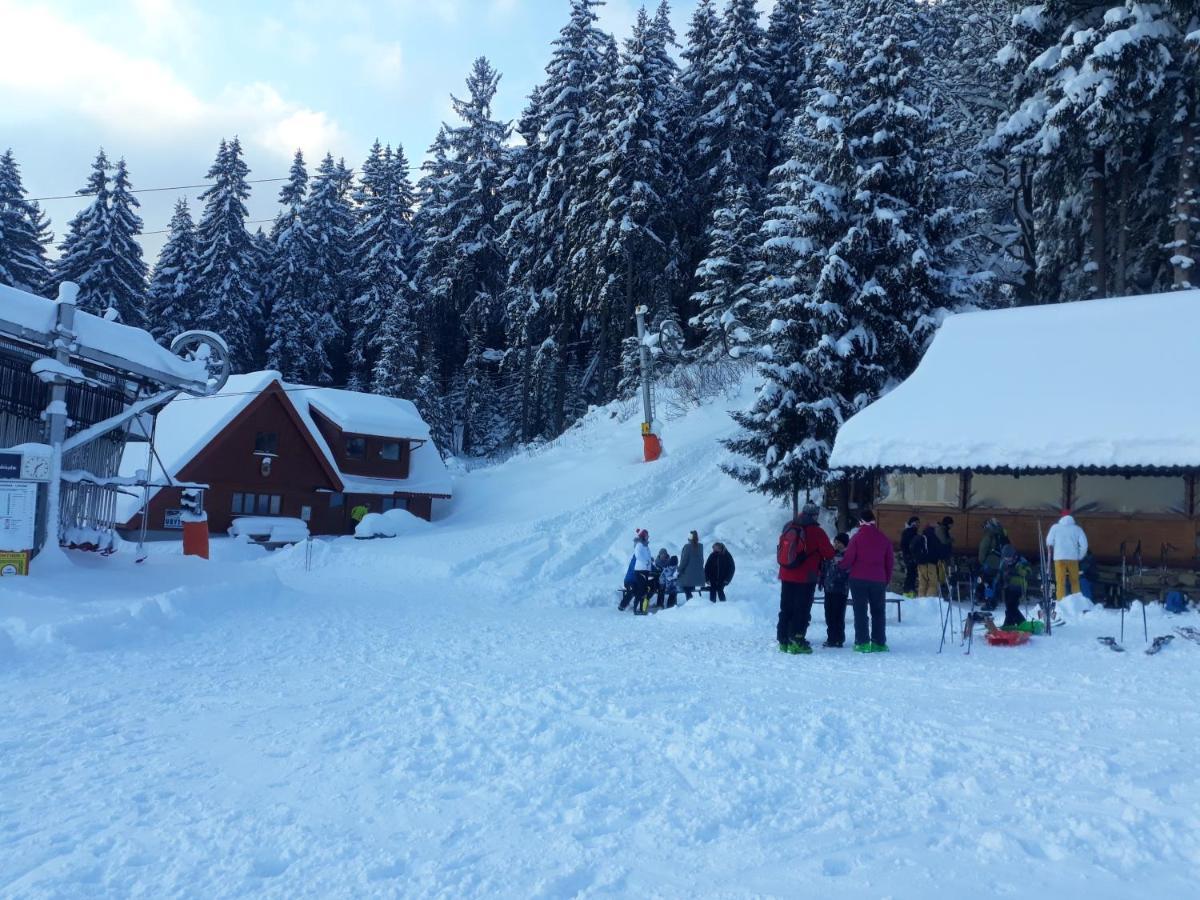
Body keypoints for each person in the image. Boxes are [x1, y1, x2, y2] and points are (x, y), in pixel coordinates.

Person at [776, 503, 836, 653]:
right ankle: (797, 641)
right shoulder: (817, 531)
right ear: (815, 515)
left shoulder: (789, 526)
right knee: (801, 609)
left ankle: (783, 640)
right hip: (805, 576)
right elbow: (829, 554)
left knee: (786, 607)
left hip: (786, 573)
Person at [839, 509, 895, 652]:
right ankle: (879, 642)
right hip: (879, 579)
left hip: (858, 579)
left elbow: (849, 559)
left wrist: (840, 565)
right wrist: (886, 579)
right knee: (878, 611)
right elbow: (889, 562)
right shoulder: (884, 538)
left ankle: (862, 642)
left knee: (860, 610)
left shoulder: (857, 538)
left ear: (861, 522)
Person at [1045, 511, 1088, 600]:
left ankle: (1060, 601)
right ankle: (1077, 600)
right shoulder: (1077, 529)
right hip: (1073, 559)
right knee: (1075, 581)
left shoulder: (1055, 527)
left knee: (1060, 582)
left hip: (1059, 558)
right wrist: (1079, 556)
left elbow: (1049, 542)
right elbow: (1084, 545)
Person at [822, 532, 852, 648]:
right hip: (829, 588)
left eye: (839, 542)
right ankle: (831, 637)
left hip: (840, 589)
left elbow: (846, 572)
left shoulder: (847, 555)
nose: (836, 544)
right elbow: (825, 568)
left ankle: (838, 638)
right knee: (829, 614)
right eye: (835, 542)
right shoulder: (830, 554)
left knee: (838, 614)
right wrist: (822, 579)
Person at [976, 517, 1010, 606]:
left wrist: (982, 562)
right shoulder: (1002, 534)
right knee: (994, 581)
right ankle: (993, 599)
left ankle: (987, 600)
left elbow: (983, 550)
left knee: (986, 581)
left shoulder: (989, 535)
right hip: (1001, 563)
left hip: (990, 562)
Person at [916, 522, 942, 598]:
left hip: (920, 564)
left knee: (922, 583)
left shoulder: (921, 537)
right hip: (931, 564)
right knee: (932, 583)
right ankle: (930, 602)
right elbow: (938, 550)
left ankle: (921, 601)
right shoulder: (934, 538)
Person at [678, 530, 705, 601]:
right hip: (697, 574)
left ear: (689, 538)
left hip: (688, 574)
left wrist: (678, 570)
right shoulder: (700, 547)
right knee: (690, 588)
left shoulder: (687, 547)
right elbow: (702, 561)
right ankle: (692, 601)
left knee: (684, 587)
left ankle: (690, 602)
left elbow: (684, 561)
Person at [899, 516, 920, 598]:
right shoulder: (909, 532)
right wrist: (908, 555)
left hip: (910, 556)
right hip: (910, 556)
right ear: (913, 523)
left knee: (912, 573)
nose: (918, 524)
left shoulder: (911, 531)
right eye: (917, 523)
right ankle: (908, 591)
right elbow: (905, 545)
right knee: (911, 574)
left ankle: (909, 591)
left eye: (919, 523)